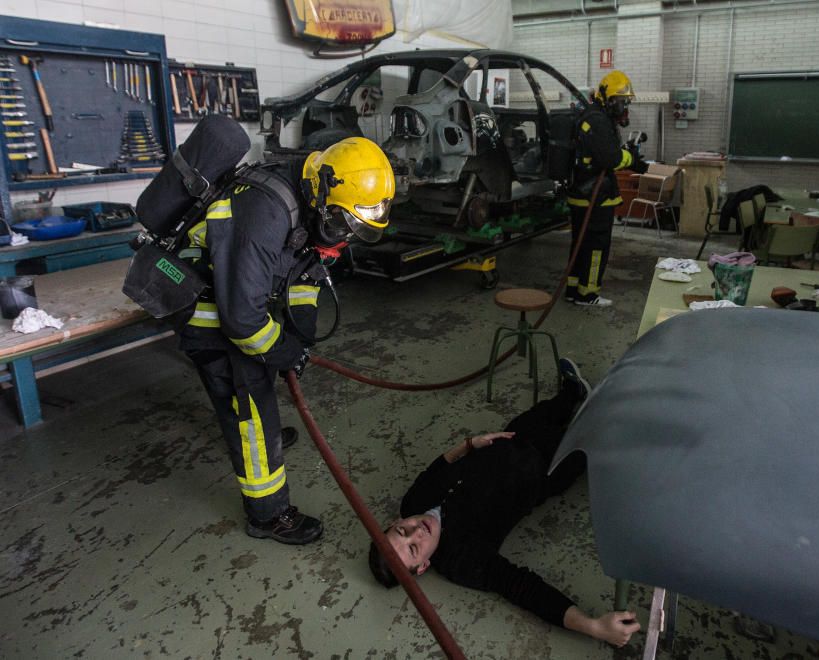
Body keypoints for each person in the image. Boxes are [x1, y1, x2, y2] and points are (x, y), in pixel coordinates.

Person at [178, 137, 395, 545]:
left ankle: (262, 431)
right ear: (323, 193)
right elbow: (242, 322)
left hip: (236, 303)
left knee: (262, 377)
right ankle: (268, 515)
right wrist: (283, 350)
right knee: (254, 411)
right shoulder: (265, 212)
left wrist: (300, 335)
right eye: (340, 225)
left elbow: (306, 273)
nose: (341, 237)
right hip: (208, 313)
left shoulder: (313, 201)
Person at [368, 358, 642, 647]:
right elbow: (520, 587)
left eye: (402, 531)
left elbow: (439, 467)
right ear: (422, 566)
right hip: (547, 469)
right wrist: (592, 626)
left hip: (511, 437)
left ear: (394, 523)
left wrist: (472, 443)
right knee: (598, 430)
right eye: (413, 548)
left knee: (550, 409)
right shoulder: (461, 560)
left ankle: (573, 392)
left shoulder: (412, 503)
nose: (416, 531)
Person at [566, 69, 649, 307]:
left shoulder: (593, 117)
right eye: (620, 101)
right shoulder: (597, 121)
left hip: (584, 193)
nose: (623, 106)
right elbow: (610, 158)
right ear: (607, 98)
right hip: (594, 196)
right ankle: (588, 294)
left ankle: (574, 290)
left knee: (580, 245)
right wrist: (633, 161)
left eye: (625, 101)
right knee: (596, 247)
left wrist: (626, 155)